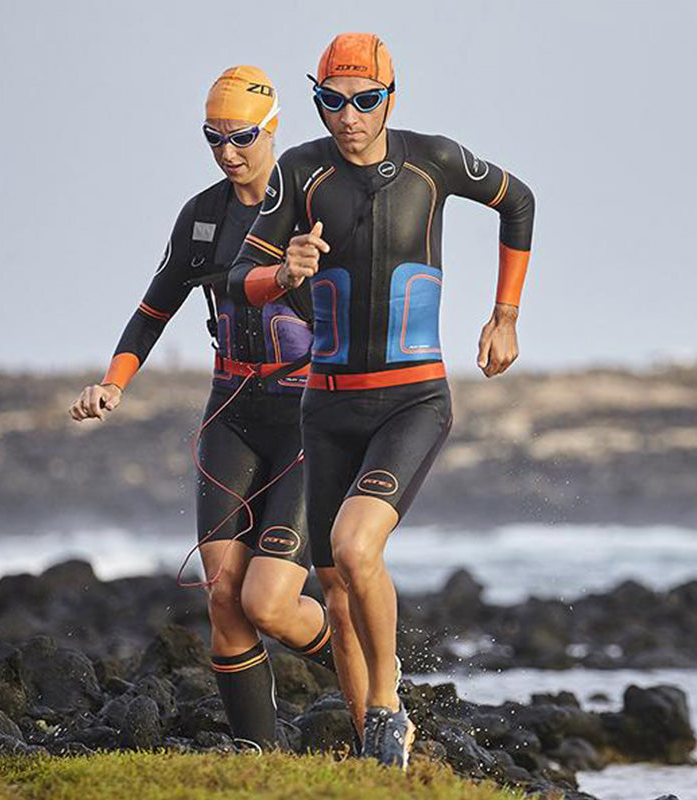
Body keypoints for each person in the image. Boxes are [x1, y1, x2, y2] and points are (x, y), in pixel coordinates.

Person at [228, 34, 535, 768]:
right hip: (327, 408)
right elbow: (242, 274)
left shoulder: (433, 160)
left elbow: (518, 200)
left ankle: (390, 704)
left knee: (354, 545)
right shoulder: (299, 171)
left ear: (390, 97)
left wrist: (506, 315)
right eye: (331, 101)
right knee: (334, 588)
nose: (348, 115)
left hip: (411, 400)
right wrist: (283, 272)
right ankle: (378, 752)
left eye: (365, 100)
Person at [69, 66, 333, 752]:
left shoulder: (314, 208)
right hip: (233, 414)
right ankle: (259, 759)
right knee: (222, 596)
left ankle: (367, 665)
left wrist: (299, 277)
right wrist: (114, 382)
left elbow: (353, 322)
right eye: (213, 138)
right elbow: (154, 310)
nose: (228, 152)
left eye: (241, 137)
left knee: (269, 603)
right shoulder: (201, 216)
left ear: (271, 130)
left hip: (307, 417)